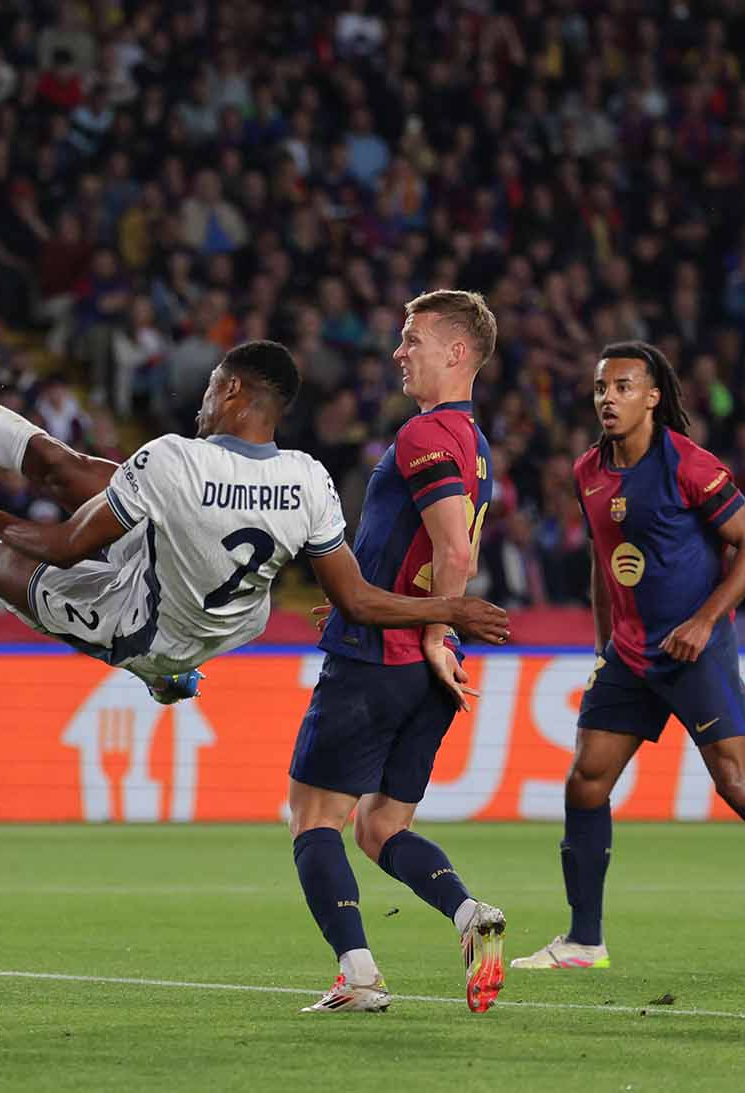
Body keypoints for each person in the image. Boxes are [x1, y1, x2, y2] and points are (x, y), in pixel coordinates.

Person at [0, 298, 508, 707]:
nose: (201, 400)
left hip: (149, 631)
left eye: (210, 387)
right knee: (64, 466)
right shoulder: (308, 477)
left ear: (232, 391)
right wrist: (447, 611)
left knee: (1, 558)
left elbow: (64, 547)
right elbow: (356, 599)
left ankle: (160, 673)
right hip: (228, 617)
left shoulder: (172, 458)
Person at [511, 341, 745, 974]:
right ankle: (585, 940)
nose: (608, 398)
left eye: (623, 387)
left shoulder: (689, 464)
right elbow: (602, 559)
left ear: (652, 397)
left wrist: (704, 622)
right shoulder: (588, 470)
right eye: (601, 388)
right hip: (629, 655)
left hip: (693, 650)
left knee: (738, 782)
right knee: (586, 780)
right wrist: (603, 644)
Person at [290, 290, 509, 1016]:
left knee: (314, 819)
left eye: (413, 339)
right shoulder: (474, 442)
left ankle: (357, 974)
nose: (399, 352)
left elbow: (454, 552)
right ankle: (468, 912)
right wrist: (379, 601)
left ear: (457, 352)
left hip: (381, 658)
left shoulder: (424, 434)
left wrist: (433, 631)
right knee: (381, 826)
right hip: (420, 667)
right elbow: (431, 550)